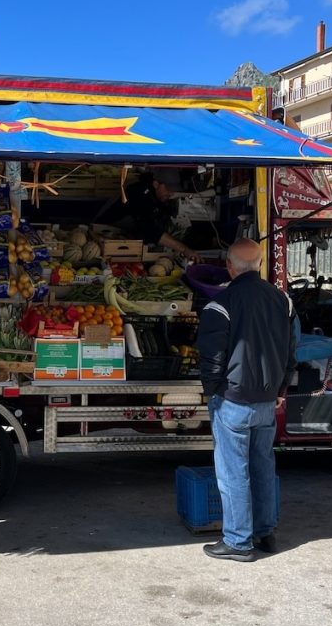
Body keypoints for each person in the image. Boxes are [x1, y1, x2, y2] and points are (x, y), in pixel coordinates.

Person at [196, 238, 296, 562]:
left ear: (229, 266)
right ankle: (266, 533)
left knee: (233, 472)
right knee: (263, 467)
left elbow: (212, 358)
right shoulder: (283, 301)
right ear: (260, 266)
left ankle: (238, 542)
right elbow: (291, 351)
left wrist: (213, 392)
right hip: (267, 401)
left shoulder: (220, 305)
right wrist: (281, 390)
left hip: (233, 401)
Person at [98, 169, 195, 258]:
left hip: (126, 238)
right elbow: (150, 230)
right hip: (106, 234)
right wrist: (184, 249)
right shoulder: (139, 193)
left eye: (173, 190)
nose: (171, 194)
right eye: (168, 190)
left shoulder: (159, 196)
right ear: (156, 184)